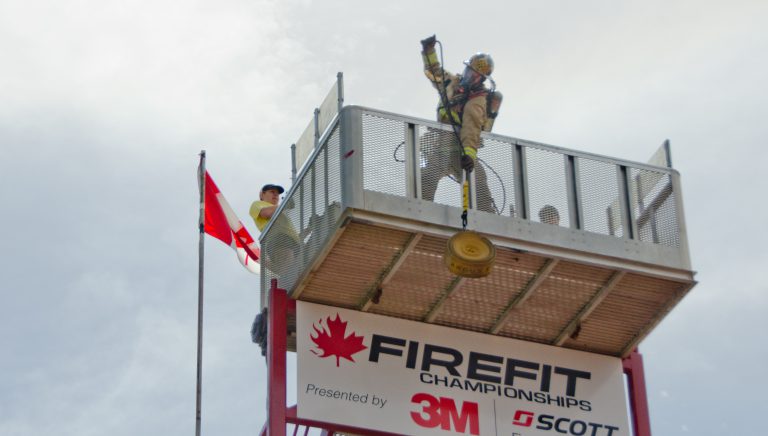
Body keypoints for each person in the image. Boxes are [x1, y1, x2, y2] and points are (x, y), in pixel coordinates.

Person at [419, 35, 502, 214]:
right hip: (440, 145)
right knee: (426, 178)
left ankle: (487, 220)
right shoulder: (452, 84)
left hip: (460, 149)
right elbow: (434, 72)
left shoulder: (478, 100)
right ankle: (419, 212)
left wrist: (469, 156)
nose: (468, 75)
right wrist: (429, 51)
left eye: (473, 74)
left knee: (477, 182)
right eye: (468, 70)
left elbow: (471, 129)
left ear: (480, 79)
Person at [249, 184, 300, 276]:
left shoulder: (280, 211)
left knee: (290, 268)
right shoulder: (257, 204)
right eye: (272, 192)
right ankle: (283, 282)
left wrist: (309, 229)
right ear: (262, 194)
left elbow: (293, 234)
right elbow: (266, 213)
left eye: (277, 194)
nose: (276, 195)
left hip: (291, 241)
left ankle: (268, 265)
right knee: (287, 265)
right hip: (278, 239)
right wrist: (285, 204)